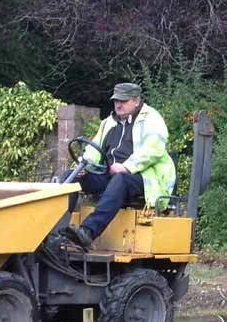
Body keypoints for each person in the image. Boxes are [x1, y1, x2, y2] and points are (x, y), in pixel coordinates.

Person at [66, 82, 175, 249]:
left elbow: (154, 148)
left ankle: (87, 232)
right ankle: (56, 231)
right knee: (70, 177)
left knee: (120, 179)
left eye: (123, 100)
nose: (118, 104)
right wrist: (82, 166)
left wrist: (127, 167)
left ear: (136, 101)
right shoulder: (108, 123)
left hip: (143, 178)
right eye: (116, 100)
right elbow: (94, 150)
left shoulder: (152, 119)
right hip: (110, 175)